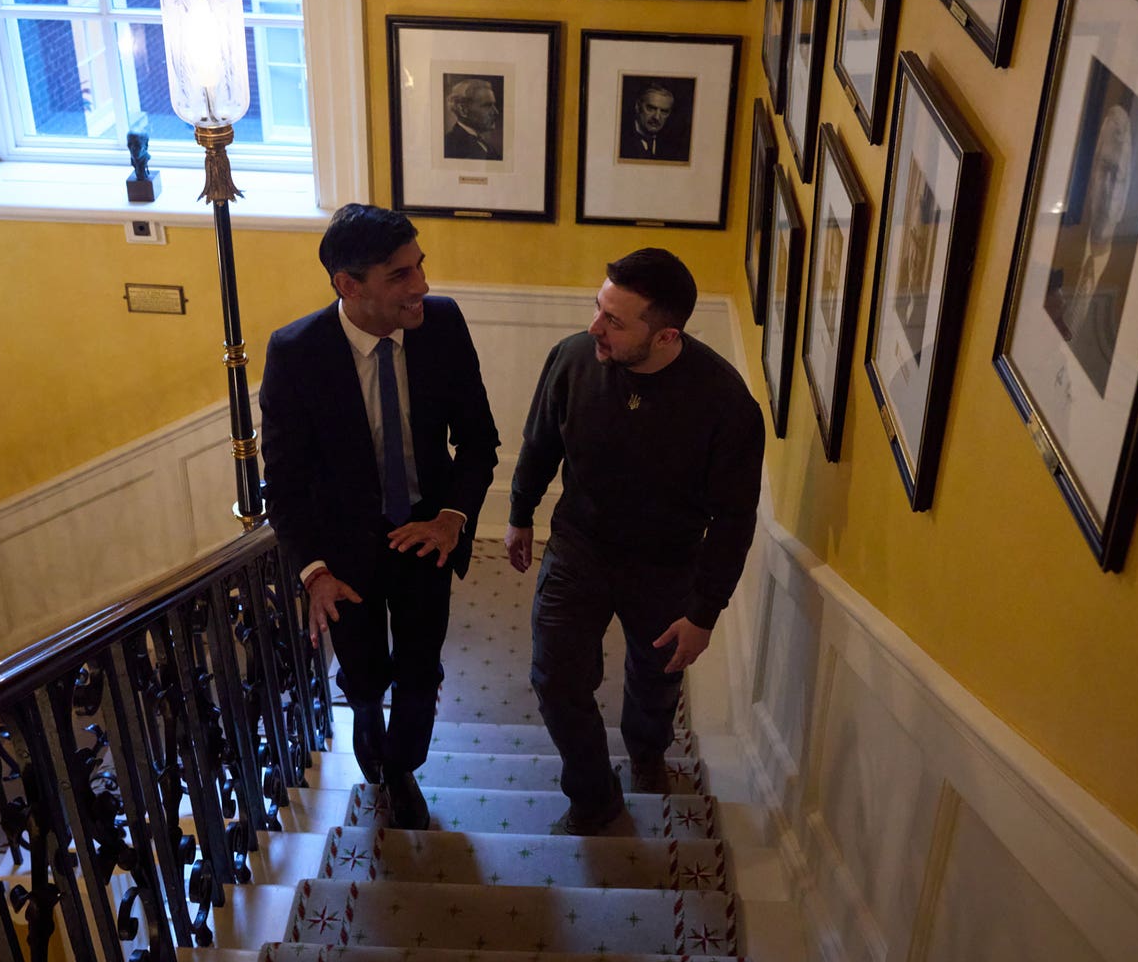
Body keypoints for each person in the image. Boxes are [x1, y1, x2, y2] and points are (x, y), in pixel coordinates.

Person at [505, 249, 763, 834]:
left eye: (615, 321)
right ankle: (594, 798)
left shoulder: (726, 406)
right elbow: (541, 441)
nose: (595, 327)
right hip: (579, 547)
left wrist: (703, 613)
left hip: (666, 563)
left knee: (655, 678)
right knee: (556, 675)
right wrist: (520, 514)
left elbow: (734, 519)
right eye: (598, 309)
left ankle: (647, 752)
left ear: (667, 334)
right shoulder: (573, 359)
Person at [259, 204, 500, 830]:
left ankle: (403, 772)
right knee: (363, 674)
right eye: (399, 275)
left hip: (426, 535)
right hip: (345, 552)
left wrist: (452, 518)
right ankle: (370, 735)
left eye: (419, 266)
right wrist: (313, 572)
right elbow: (282, 484)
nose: (420, 285)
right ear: (349, 285)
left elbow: (479, 442)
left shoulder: (441, 324)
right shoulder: (296, 353)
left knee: (422, 666)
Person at [1047, 103, 1135, 392]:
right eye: (1104, 168)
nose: (1109, 186)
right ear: (1091, 177)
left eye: (1118, 176)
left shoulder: (1128, 294)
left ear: (1126, 197)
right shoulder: (1054, 252)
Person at [617, 81, 687, 162]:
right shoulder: (619, 141)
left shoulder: (675, 147)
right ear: (637, 106)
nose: (657, 117)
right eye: (651, 108)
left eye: (664, 111)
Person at [443, 78, 502, 160]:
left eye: (494, 105)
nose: (496, 112)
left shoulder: (484, 144)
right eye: (487, 105)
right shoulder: (450, 146)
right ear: (463, 109)